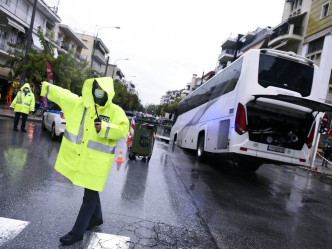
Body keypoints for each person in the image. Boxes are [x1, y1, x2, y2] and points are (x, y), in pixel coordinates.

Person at [40, 77, 129, 246]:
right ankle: (97, 218)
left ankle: (77, 232)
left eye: (101, 89)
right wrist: (46, 87)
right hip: (82, 160)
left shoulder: (115, 111)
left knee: (89, 197)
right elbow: (63, 95)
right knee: (91, 192)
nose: (98, 91)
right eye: (96, 88)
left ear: (108, 91)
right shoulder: (80, 104)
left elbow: (124, 129)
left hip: (98, 164)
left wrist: (104, 128)